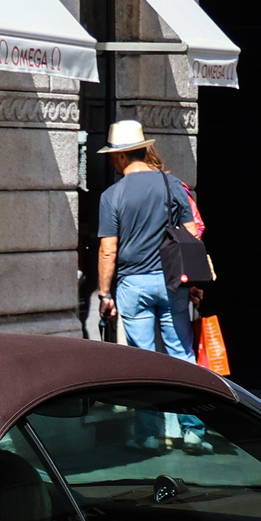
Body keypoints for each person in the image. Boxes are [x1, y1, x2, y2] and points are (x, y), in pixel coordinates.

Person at [93, 120, 199, 360]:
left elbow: (108, 250)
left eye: (112, 156)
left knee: (144, 360)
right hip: (172, 281)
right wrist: (194, 282)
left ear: (121, 156)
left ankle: (152, 397)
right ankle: (190, 397)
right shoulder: (172, 184)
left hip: (133, 284)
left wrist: (105, 294)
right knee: (182, 352)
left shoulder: (112, 195)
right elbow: (192, 235)